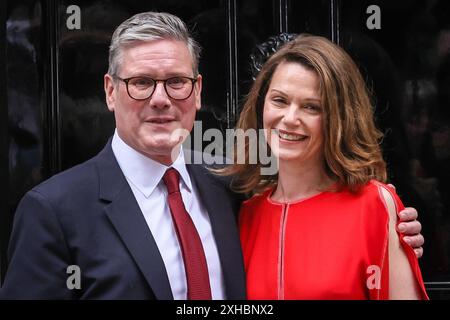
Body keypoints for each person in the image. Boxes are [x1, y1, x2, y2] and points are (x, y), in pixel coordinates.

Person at [0, 13, 423, 300]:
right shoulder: (52, 211)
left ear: (198, 90)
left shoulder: (231, 190)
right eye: (142, 82)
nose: (161, 99)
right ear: (111, 91)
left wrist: (386, 232)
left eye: (177, 82)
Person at [221, 34, 429, 299]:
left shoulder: (373, 205)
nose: (290, 118)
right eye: (280, 100)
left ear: (338, 118)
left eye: (311, 107)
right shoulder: (247, 213)